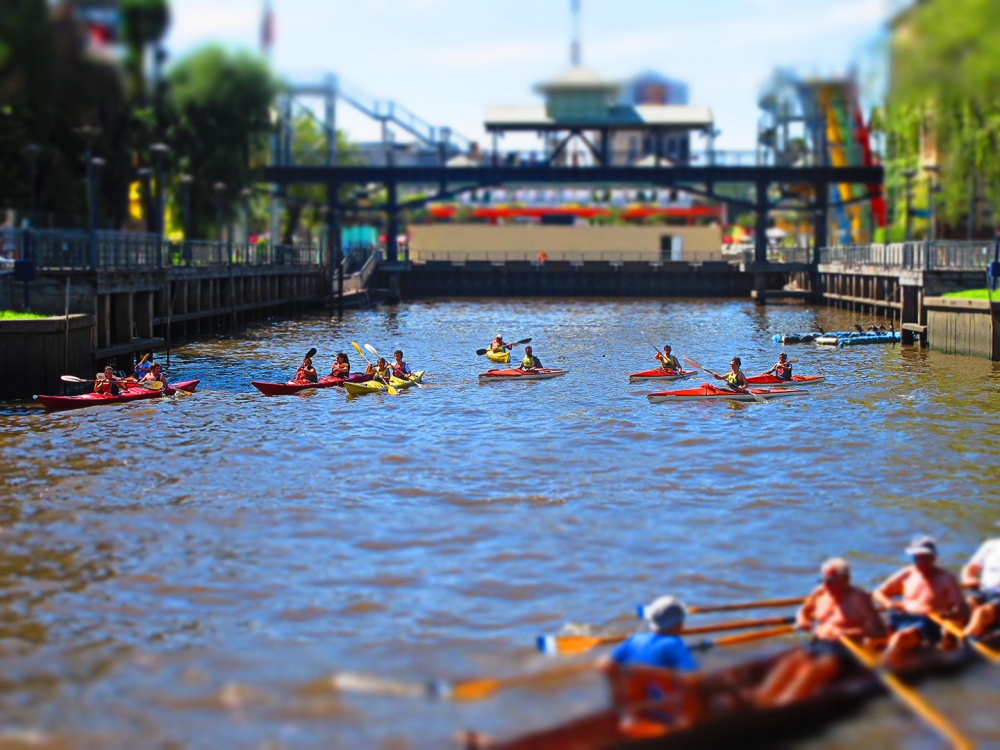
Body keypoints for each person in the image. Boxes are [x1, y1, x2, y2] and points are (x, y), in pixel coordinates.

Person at [756, 558, 887, 707]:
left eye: (832, 581)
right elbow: (804, 610)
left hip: (844, 651)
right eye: (824, 580)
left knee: (809, 672)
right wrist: (803, 620)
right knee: (788, 664)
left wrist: (848, 631)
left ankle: (781, 708)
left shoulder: (859, 598)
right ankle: (761, 701)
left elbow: (880, 631)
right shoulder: (820, 592)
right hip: (818, 643)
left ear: (846, 580)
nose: (826, 585)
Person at [874, 536, 969, 659]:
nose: (922, 561)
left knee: (900, 638)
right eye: (918, 557)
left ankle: (882, 668)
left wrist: (950, 616)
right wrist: (889, 603)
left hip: (927, 624)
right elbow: (879, 592)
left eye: (926, 557)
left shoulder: (947, 578)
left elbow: (962, 608)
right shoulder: (907, 573)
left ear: (933, 557)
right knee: (874, 637)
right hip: (901, 617)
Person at [962, 533, 1000, 638]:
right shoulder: (991, 546)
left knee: (981, 613)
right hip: (983, 590)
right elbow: (971, 569)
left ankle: (966, 641)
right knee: (967, 605)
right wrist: (970, 579)